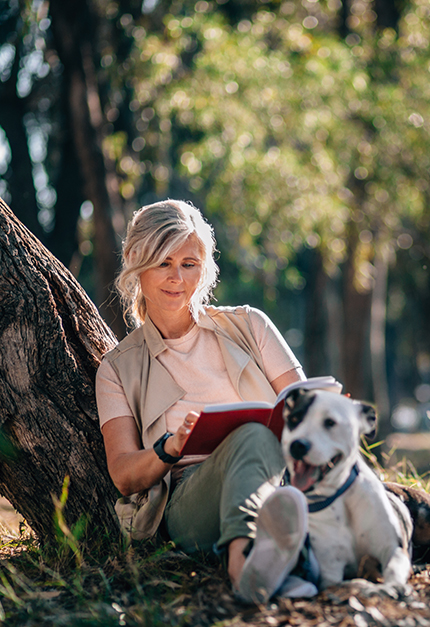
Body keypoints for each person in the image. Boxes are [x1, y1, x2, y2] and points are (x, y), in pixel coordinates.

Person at [95, 199, 316, 603]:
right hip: (190, 502)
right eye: (163, 262)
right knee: (252, 436)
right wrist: (168, 448)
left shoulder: (250, 325)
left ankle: (281, 561)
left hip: (274, 475)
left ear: (205, 267)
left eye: (189, 263)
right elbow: (124, 474)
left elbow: (303, 406)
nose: (177, 277)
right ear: (135, 262)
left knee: (258, 441)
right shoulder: (117, 369)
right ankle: (244, 567)